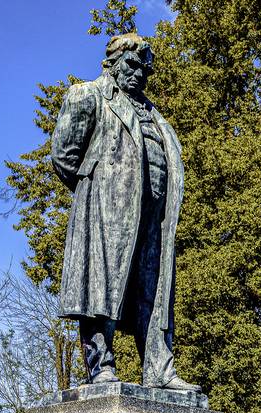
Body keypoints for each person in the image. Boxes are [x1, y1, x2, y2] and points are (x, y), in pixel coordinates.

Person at [50, 32, 198, 390]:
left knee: (154, 290)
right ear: (112, 64)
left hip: (153, 216)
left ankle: (160, 371)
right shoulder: (88, 96)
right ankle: (101, 365)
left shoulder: (154, 114)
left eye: (145, 69)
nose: (139, 74)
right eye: (131, 65)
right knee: (101, 290)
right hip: (106, 212)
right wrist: (98, 189)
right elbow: (63, 155)